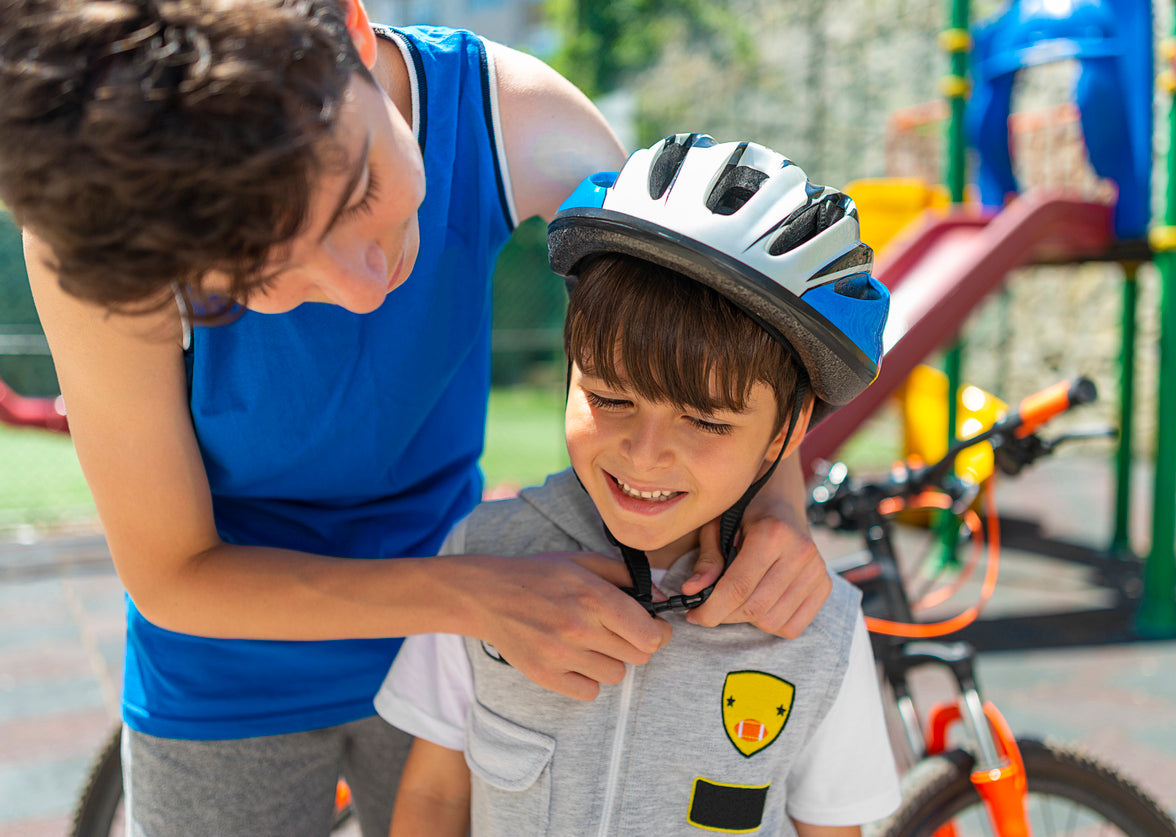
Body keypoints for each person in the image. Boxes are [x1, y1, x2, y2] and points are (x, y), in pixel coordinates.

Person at [0, 3, 837, 835]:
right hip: (235, 663)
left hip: (463, 643)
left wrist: (772, 510)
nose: (366, 287)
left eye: (360, 190)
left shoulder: (515, 119)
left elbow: (714, 320)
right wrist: (473, 594)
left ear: (353, 32)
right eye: (255, 282)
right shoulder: (109, 230)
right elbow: (175, 572)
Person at [375, 133, 900, 836]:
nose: (645, 455)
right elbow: (438, 795)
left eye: (707, 421)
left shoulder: (820, 629)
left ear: (785, 431)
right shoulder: (486, 559)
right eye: (611, 398)